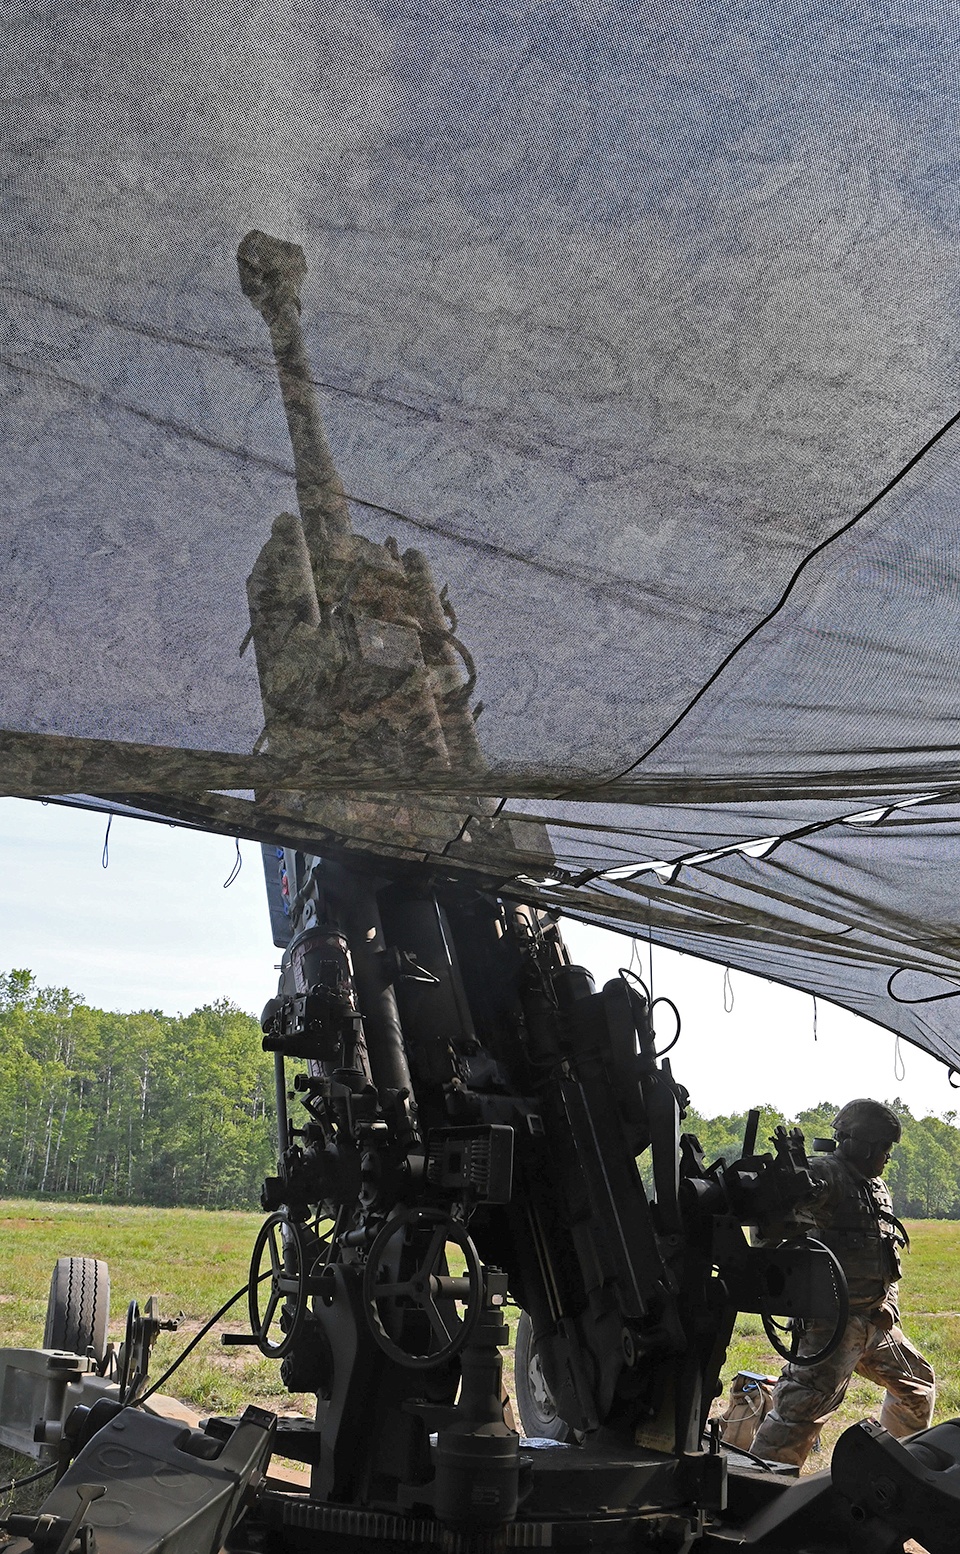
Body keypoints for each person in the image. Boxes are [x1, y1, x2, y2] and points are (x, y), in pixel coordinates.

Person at [750, 1098, 935, 1468]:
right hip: (832, 1325)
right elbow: (765, 1234)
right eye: (883, 1145)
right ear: (858, 1141)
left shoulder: (876, 1186)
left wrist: (890, 1304)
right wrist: (787, 1197)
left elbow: (886, 1252)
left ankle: (893, 1473)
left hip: (876, 1320)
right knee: (800, 1413)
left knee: (917, 1389)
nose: (887, 1155)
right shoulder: (826, 1175)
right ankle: (757, 1490)